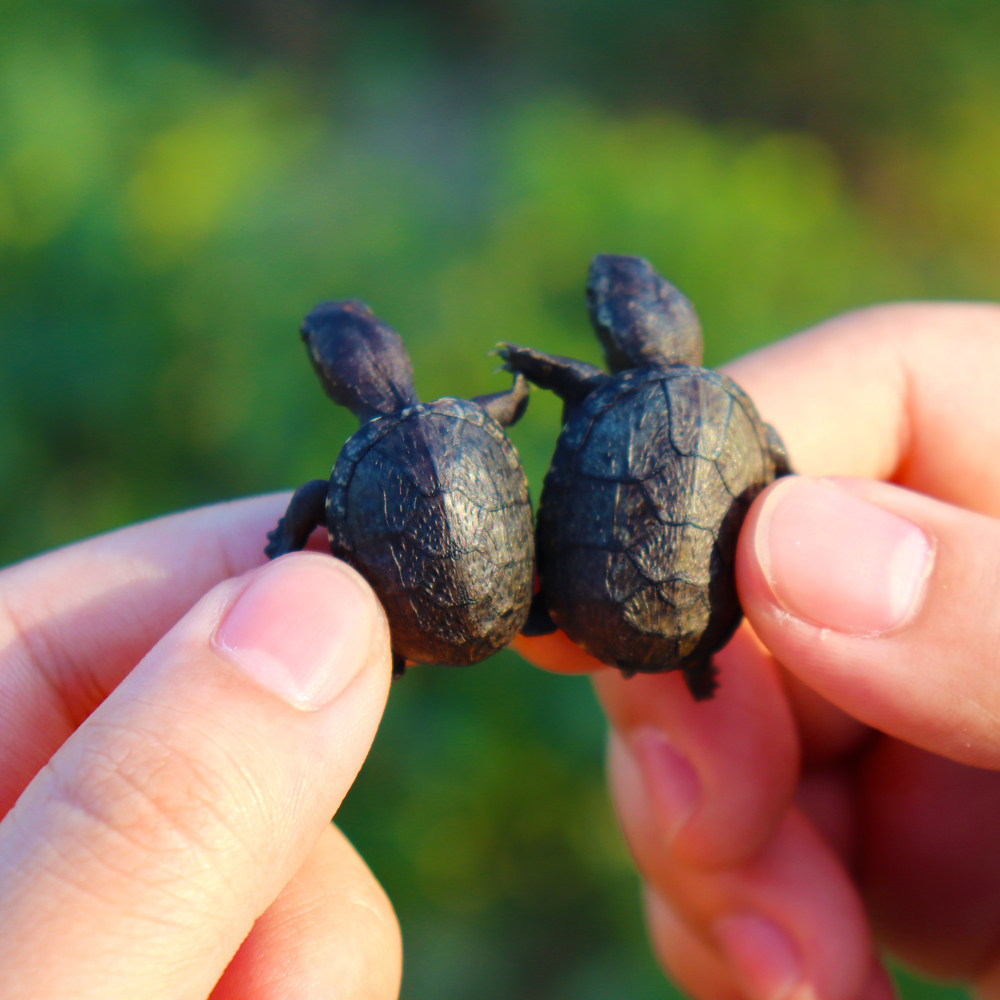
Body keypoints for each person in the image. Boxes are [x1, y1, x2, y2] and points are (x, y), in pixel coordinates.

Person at [0, 300, 997, 999]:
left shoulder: (379, 458)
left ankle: (605, 644)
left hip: (496, 615)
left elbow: (308, 513)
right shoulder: (500, 423)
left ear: (342, 380)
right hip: (562, 600)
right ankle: (689, 656)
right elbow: (525, 412)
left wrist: (278, 562)